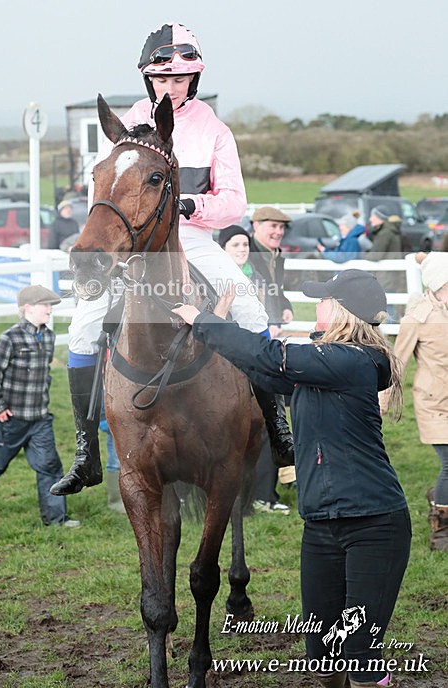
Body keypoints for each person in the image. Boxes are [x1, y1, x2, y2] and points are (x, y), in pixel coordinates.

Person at [50, 21, 294, 497]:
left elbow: (235, 202)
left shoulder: (214, 130)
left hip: (195, 237)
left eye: (180, 79)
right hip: (135, 243)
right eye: (163, 79)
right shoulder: (127, 125)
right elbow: (105, 188)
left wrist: (191, 206)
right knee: (82, 328)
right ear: (149, 81)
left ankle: (277, 427)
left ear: (194, 81)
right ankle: (86, 453)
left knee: (248, 309)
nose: (171, 86)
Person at [172, 269, 410, 688]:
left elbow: (268, 356)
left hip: (373, 524)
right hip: (320, 525)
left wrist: (204, 320)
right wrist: (217, 329)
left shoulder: (350, 360)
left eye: (323, 298)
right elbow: (261, 369)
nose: (315, 304)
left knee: (359, 655)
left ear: (341, 310)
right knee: (322, 656)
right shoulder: (325, 362)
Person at [0, 285, 80, 528]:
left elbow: (43, 373)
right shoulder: (10, 338)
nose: (50, 310)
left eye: (51, 305)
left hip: (40, 419)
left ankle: (56, 519)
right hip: (10, 419)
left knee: (50, 466)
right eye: (45, 305)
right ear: (28, 308)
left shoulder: (47, 336)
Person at [218, 224, 290, 515]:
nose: (242, 249)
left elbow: (266, 311)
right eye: (235, 245)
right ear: (222, 249)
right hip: (226, 361)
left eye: (245, 244)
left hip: (256, 356)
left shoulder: (256, 276)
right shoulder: (215, 277)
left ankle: (263, 494)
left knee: (264, 421)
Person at [382, 252, 448, 550]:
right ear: (437, 284)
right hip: (435, 402)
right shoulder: (417, 318)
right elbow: (398, 363)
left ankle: (440, 495)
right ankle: (441, 527)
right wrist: (381, 402)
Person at [248, 206, 294, 338]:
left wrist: (285, 306)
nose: (279, 232)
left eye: (282, 227)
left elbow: (274, 289)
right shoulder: (245, 254)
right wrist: (270, 322)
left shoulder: (276, 256)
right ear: (256, 225)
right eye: (273, 226)